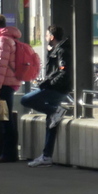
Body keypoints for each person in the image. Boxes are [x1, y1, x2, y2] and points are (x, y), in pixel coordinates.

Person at [21, 25, 70, 167]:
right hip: (56, 88)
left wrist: (47, 83)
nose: (45, 37)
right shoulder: (57, 50)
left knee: (26, 99)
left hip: (56, 89)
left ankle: (55, 111)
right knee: (51, 123)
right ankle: (47, 155)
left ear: (52, 37)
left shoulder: (62, 51)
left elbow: (63, 72)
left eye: (47, 35)